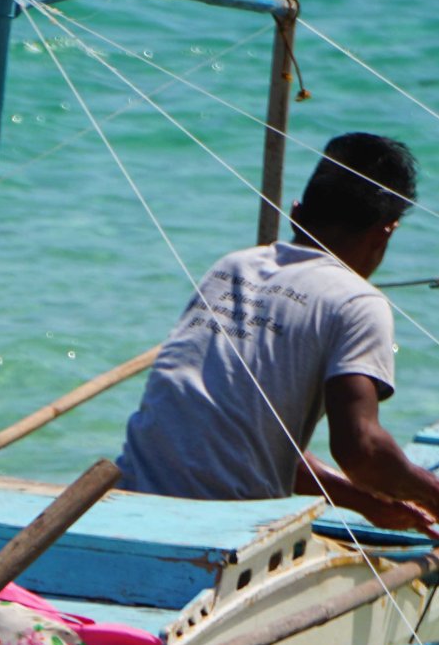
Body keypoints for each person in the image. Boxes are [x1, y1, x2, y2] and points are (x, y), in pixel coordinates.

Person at [118, 132, 439, 537]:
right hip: (222, 533)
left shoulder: (231, 269)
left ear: (295, 213)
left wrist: (366, 503)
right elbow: (362, 451)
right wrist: (431, 492)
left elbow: (248, 445)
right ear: (384, 233)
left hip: (130, 501)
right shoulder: (357, 301)